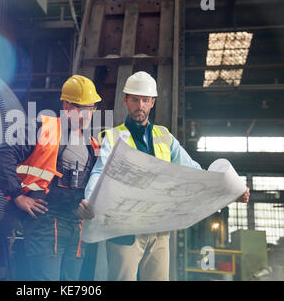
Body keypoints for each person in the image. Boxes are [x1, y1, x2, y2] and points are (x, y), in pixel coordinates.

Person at [80, 71, 250, 281]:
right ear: (126, 100)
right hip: (124, 230)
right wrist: (90, 200)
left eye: (145, 100)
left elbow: (194, 172)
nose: (140, 106)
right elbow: (100, 171)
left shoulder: (164, 136)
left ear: (153, 102)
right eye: (134, 100)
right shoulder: (114, 137)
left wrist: (230, 191)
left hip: (158, 229)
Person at [0, 75, 101, 281]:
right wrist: (17, 196)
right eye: (81, 108)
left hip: (76, 226)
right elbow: (2, 156)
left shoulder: (92, 143)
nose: (87, 115)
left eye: (91, 108)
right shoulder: (43, 128)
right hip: (47, 224)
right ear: (66, 106)